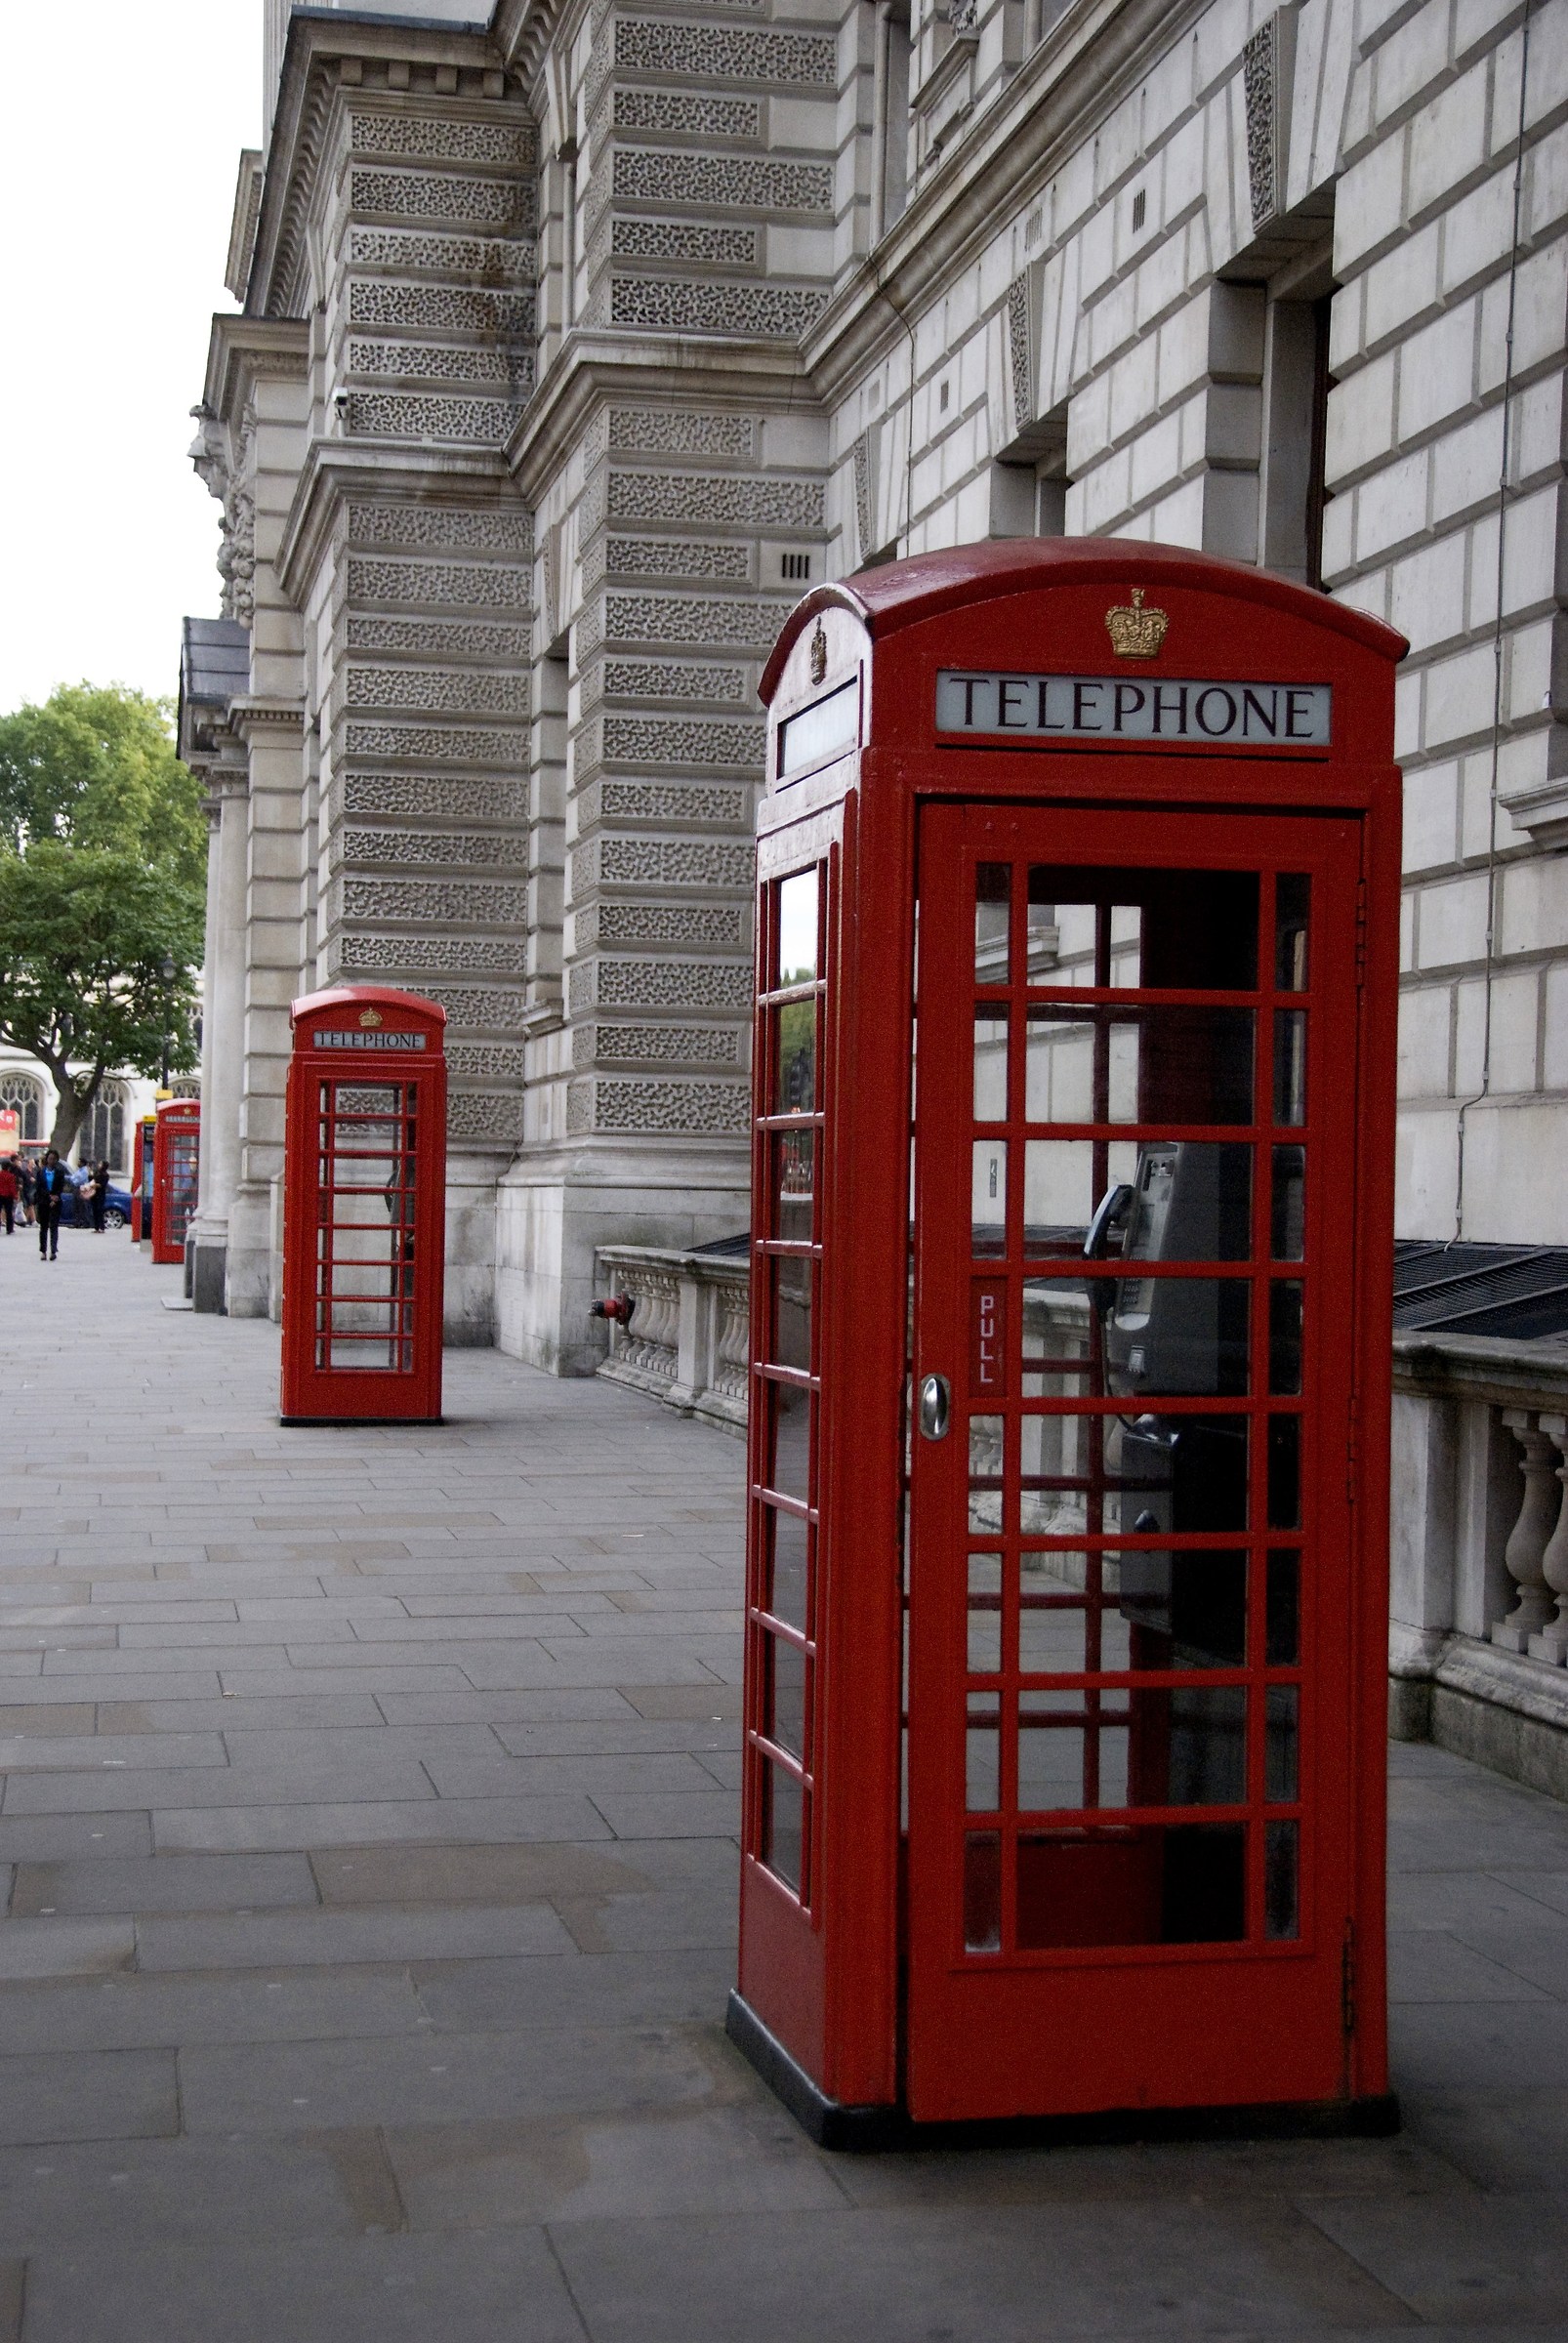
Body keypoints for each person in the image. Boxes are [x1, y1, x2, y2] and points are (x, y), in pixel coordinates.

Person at [34, 1149, 68, 1261]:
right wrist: (49, 1197)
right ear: (47, 1159)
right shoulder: (41, 1172)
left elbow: (61, 1186)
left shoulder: (59, 1172)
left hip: (56, 1202)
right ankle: (43, 1251)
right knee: (43, 1227)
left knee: (54, 1227)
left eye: (54, 1159)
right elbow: (39, 1188)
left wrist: (56, 1197)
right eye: (50, 1159)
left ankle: (53, 1250)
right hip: (43, 1202)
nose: (51, 1161)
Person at [91, 1159, 110, 1234]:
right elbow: (92, 1179)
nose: (99, 1165)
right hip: (94, 1194)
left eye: (100, 1164)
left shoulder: (105, 1175)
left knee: (100, 1210)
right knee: (94, 1210)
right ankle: (96, 1227)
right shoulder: (97, 1173)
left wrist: (95, 1185)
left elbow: (102, 1185)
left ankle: (101, 1227)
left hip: (100, 1194)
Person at [0, 1157, 16, 1235]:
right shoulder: (11, 1176)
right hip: (8, 1196)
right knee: (9, 1212)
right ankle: (9, 1229)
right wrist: (14, 1195)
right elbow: (12, 1187)